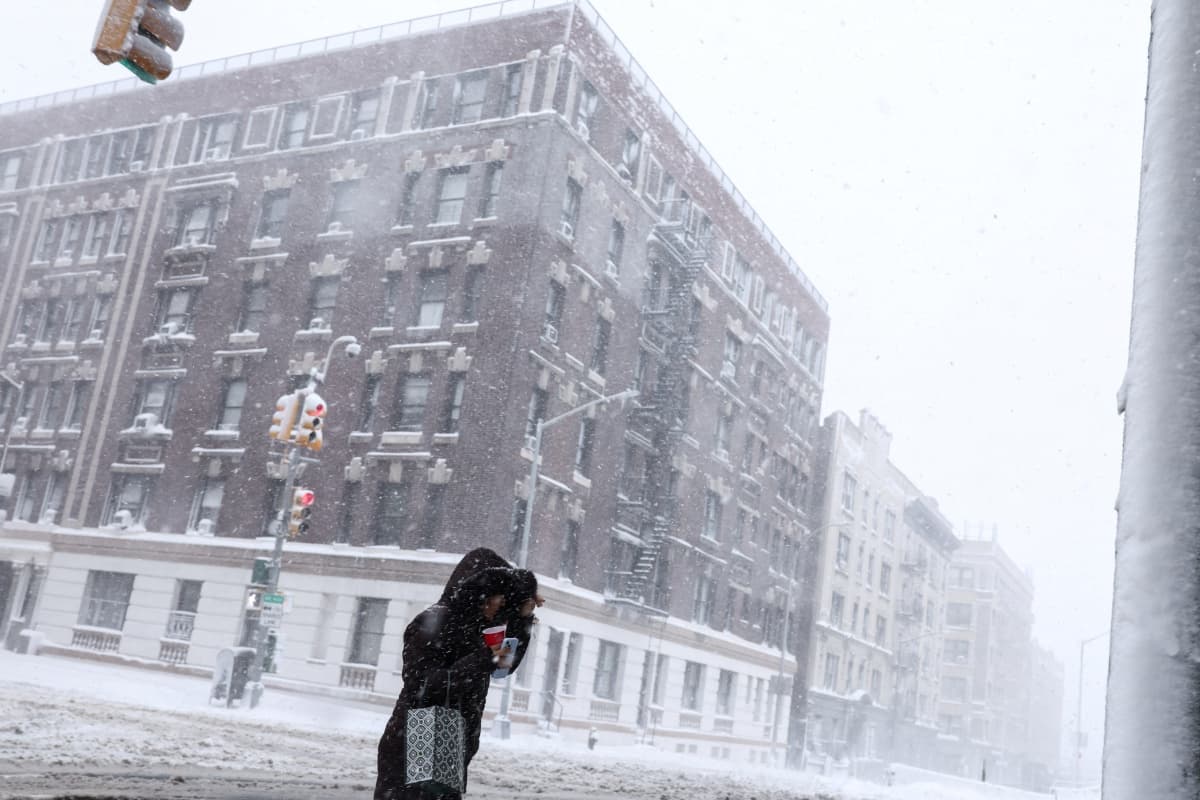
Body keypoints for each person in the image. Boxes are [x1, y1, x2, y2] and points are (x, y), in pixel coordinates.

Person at [374, 548, 542, 800]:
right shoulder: (436, 621)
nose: (500, 605)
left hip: (451, 736)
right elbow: (424, 685)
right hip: (422, 732)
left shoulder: (480, 627)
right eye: (499, 598)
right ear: (479, 594)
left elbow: (503, 665)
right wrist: (483, 658)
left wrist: (522, 619)